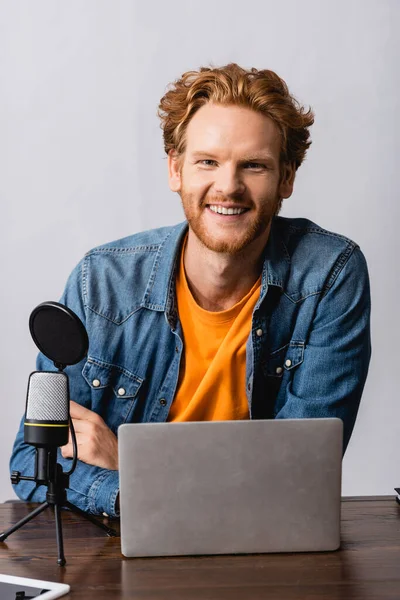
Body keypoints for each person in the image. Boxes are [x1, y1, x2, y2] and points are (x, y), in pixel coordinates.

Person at [10, 63, 371, 517]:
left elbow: (299, 475)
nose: (229, 187)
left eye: (254, 165)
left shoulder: (329, 276)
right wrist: (142, 497)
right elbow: (32, 464)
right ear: (175, 169)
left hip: (265, 551)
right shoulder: (101, 282)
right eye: (208, 162)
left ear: (287, 179)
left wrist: (136, 471)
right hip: (122, 551)